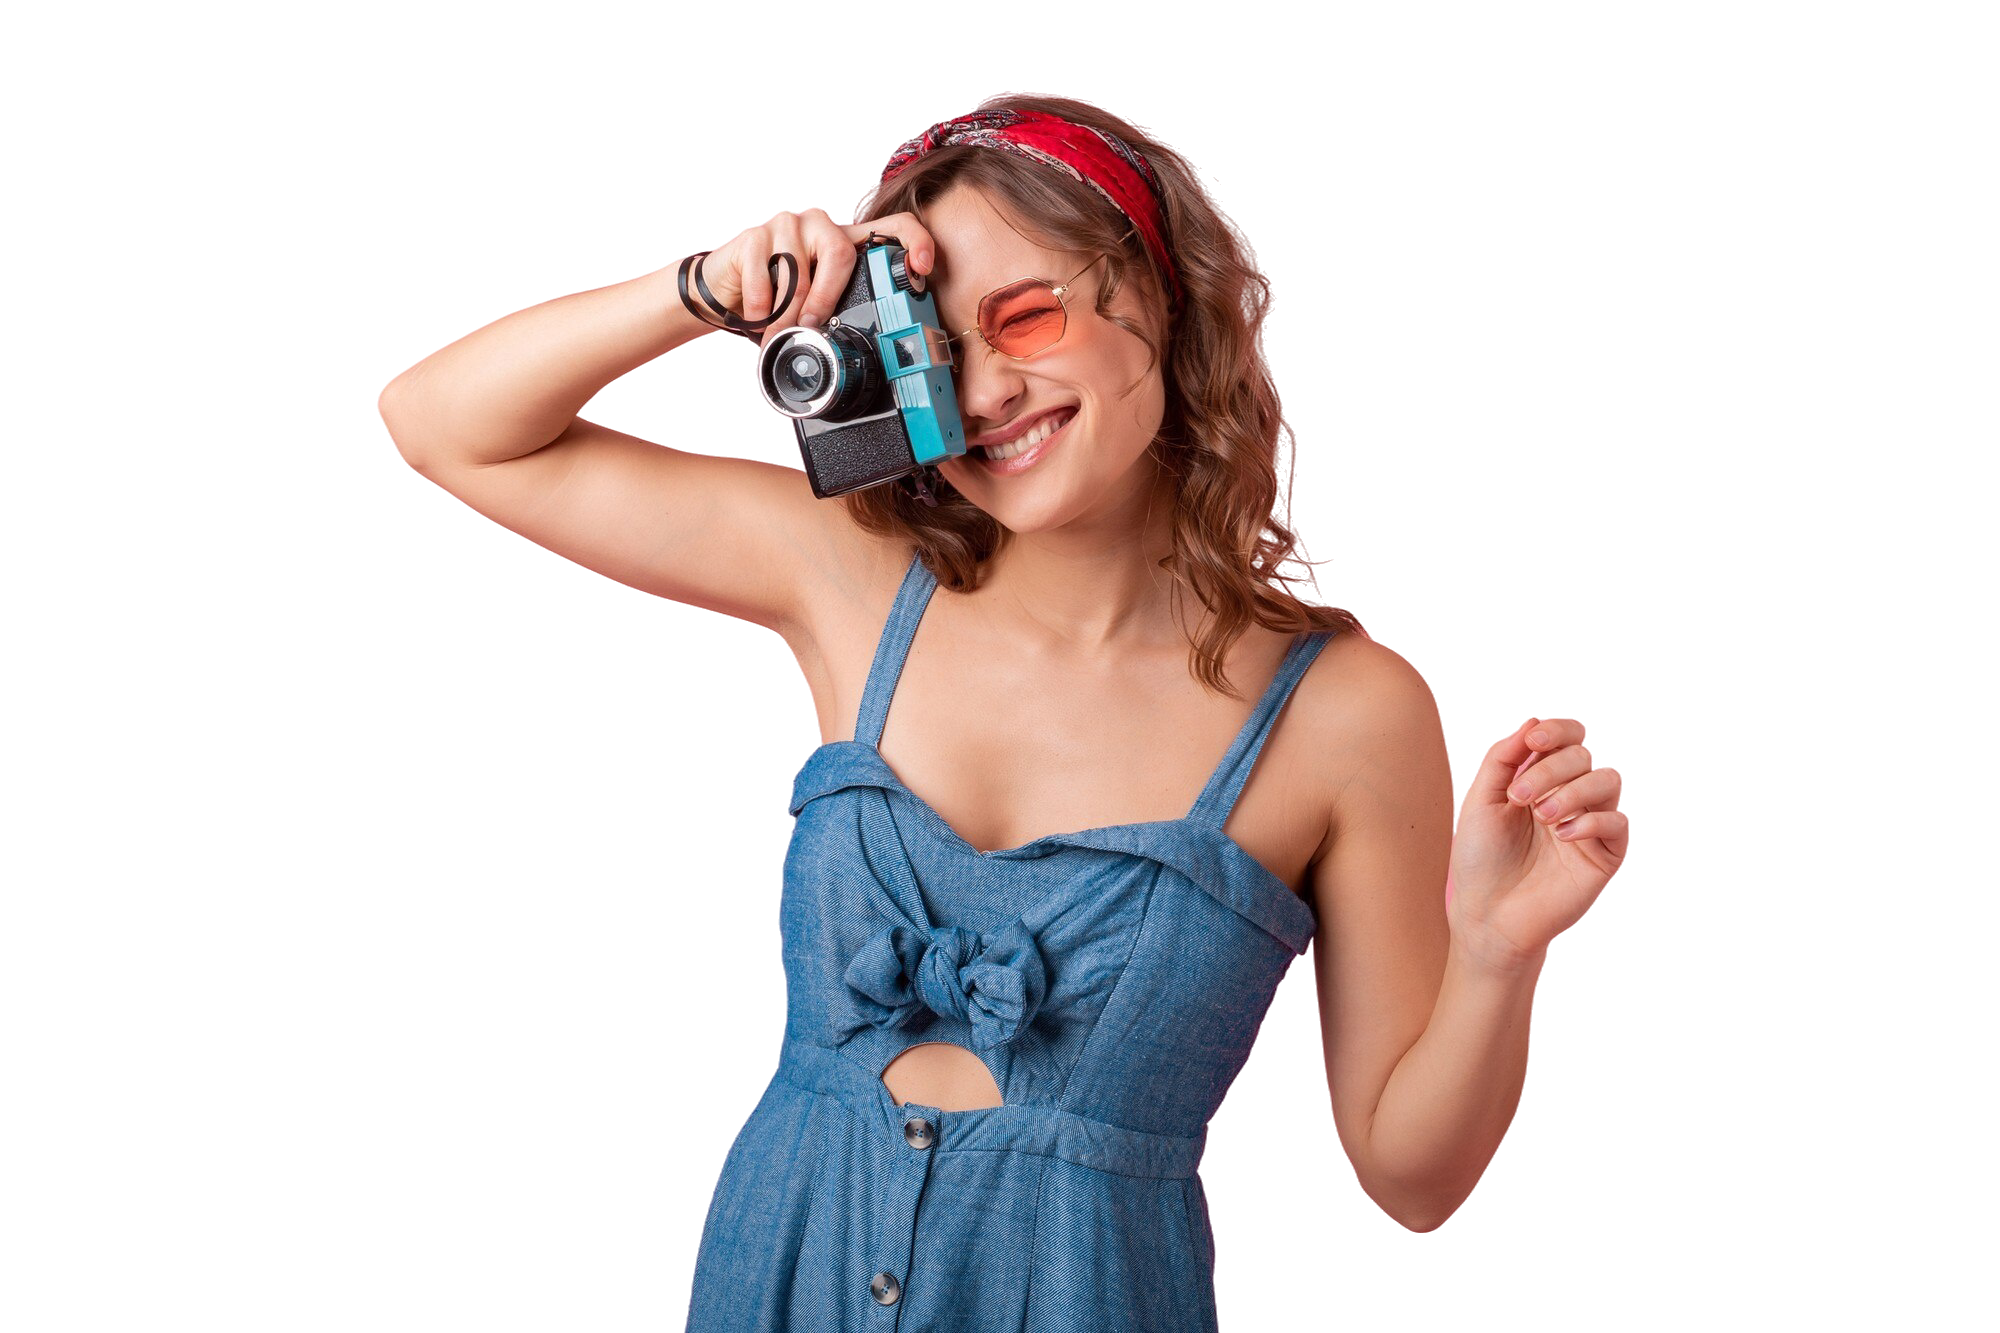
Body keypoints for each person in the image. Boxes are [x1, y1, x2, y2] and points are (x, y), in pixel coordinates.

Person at [370, 90, 1637, 1332]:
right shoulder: (850, 573)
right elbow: (437, 427)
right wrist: (704, 287)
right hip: (772, 1278)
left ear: (1156, 295)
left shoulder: (1347, 709)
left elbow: (1413, 1185)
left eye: (1021, 316)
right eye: (926, 340)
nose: (978, 396)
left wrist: (1496, 952)